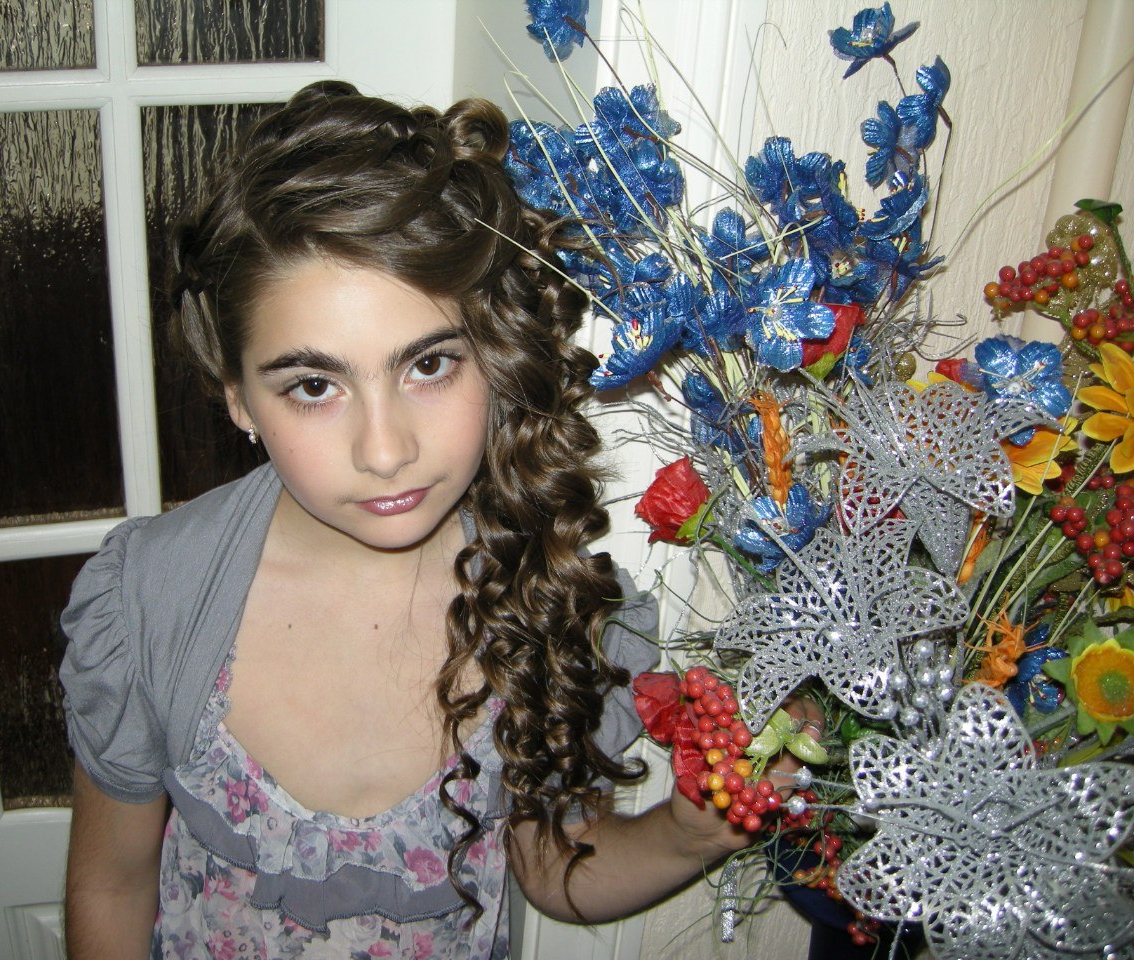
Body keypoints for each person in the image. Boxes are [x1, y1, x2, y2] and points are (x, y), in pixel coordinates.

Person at [60, 80, 794, 960]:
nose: (385, 450)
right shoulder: (152, 600)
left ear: (494, 354)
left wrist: (688, 832)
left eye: (430, 365)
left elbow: (551, 867)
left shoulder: (545, 590)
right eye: (314, 385)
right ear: (239, 398)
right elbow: (110, 884)